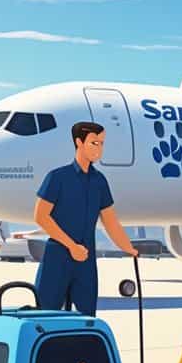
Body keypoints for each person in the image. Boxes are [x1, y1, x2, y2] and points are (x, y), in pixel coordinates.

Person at [33, 121, 137, 315]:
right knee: (46, 314)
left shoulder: (100, 182)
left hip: (86, 261)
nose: (99, 149)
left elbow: (110, 221)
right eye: (94, 143)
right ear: (79, 143)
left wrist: (128, 248)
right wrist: (72, 246)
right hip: (58, 257)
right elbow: (41, 217)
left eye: (102, 143)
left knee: (87, 317)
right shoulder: (57, 177)